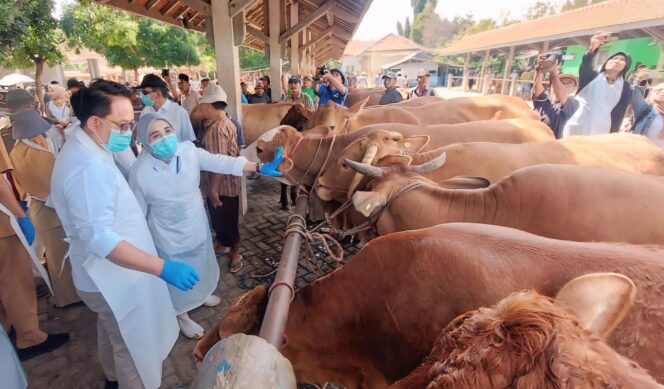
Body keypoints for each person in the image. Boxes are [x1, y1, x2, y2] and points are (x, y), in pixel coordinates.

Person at [50, 80, 200, 389]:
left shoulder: (87, 142)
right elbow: (100, 238)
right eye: (122, 125)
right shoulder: (87, 167)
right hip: (109, 277)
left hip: (108, 275)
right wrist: (162, 267)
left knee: (112, 331)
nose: (128, 133)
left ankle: (112, 378)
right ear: (94, 122)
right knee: (133, 349)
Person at [129, 112, 281, 339]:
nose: (164, 139)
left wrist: (257, 167)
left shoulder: (188, 151)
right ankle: (181, 313)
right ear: (144, 140)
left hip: (195, 221)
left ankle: (201, 294)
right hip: (166, 231)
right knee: (176, 271)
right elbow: (137, 213)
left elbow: (222, 161)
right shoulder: (139, 172)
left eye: (168, 132)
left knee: (201, 259)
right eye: (155, 135)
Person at [0, 131, 70, 363]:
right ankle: (29, 337)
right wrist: (20, 216)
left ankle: (7, 327)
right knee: (16, 281)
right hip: (3, 226)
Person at [8, 98, 80, 308]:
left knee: (64, 255)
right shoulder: (22, 154)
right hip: (48, 210)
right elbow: (43, 184)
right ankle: (66, 298)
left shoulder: (38, 142)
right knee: (58, 258)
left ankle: (72, 292)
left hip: (55, 208)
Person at [196, 85, 256, 273]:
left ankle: (236, 252)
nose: (201, 108)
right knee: (224, 220)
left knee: (227, 222)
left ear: (210, 105)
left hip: (221, 187)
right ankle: (224, 245)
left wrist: (213, 189)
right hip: (226, 184)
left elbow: (219, 163)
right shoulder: (227, 122)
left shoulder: (218, 129)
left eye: (203, 104)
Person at [562, 32, 632, 137]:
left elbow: (619, 114)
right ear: (606, 62)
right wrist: (593, 48)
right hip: (577, 122)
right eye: (614, 58)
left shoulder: (625, 87)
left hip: (601, 129)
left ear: (626, 66)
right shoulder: (592, 76)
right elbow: (586, 64)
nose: (617, 61)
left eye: (622, 60)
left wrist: (613, 134)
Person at [532, 54, 580, 139]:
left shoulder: (574, 104)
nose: (564, 85)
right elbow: (537, 86)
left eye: (569, 83)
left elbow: (561, 95)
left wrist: (554, 73)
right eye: (561, 82)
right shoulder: (544, 102)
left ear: (575, 88)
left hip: (554, 148)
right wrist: (539, 68)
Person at [140, 74, 196, 142]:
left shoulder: (179, 112)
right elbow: (142, 139)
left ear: (158, 94)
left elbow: (189, 141)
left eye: (145, 92)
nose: (142, 95)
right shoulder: (145, 112)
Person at [629, 67, 664, 148]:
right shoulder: (646, 108)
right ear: (652, 93)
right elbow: (635, 95)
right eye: (658, 90)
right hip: (641, 154)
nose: (662, 92)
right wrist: (639, 81)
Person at [44, 84, 71, 152]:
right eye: (49, 91)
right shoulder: (48, 104)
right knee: (58, 149)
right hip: (54, 130)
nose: (50, 93)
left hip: (68, 128)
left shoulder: (68, 102)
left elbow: (72, 115)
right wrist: (60, 122)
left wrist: (66, 122)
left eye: (52, 91)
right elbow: (49, 117)